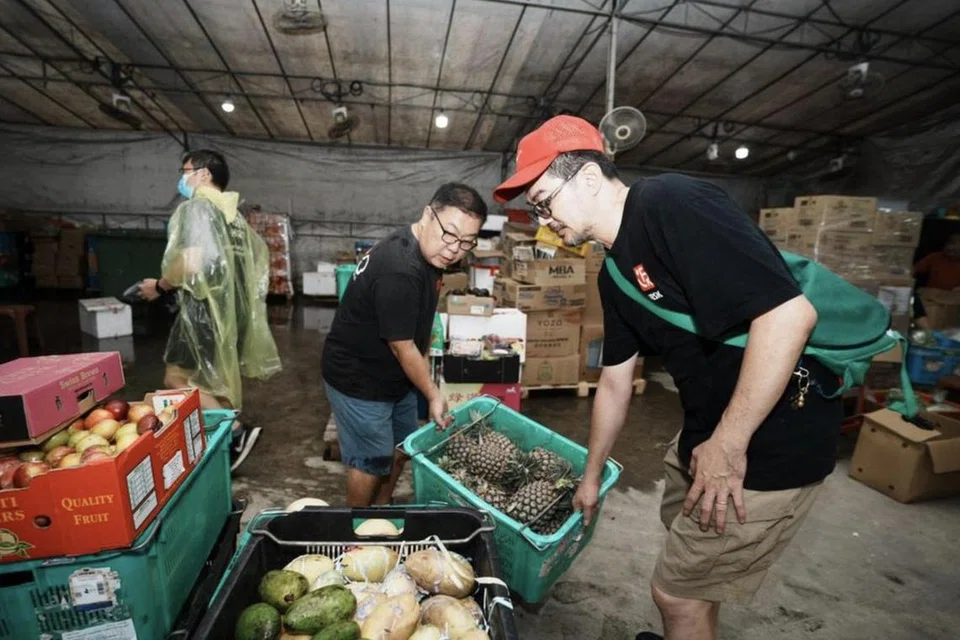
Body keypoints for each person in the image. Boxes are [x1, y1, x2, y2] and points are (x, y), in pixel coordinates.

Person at [493, 116, 842, 640]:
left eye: (544, 201)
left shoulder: (670, 203)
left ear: (588, 179)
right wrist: (590, 478)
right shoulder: (613, 274)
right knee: (692, 580)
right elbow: (614, 381)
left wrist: (727, 445)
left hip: (767, 440)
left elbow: (789, 317)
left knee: (674, 592)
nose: (544, 222)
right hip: (707, 430)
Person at [322, 183, 487, 507]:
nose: (455, 249)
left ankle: (382, 511)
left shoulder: (430, 254)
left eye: (467, 242)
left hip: (396, 378)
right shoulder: (399, 267)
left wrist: (425, 383)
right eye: (450, 235)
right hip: (358, 379)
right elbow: (403, 346)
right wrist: (433, 394)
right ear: (428, 214)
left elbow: (418, 331)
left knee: (402, 448)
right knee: (370, 460)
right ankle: (354, 529)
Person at [140, 150, 281, 472]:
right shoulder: (235, 217)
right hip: (233, 312)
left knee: (178, 376)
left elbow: (192, 260)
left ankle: (235, 432)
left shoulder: (198, 208)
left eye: (185, 170)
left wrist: (159, 286)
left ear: (203, 174)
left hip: (204, 310)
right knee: (217, 381)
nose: (183, 177)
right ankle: (224, 445)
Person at [912, 233, 960, 329]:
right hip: (932, 299)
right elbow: (913, 270)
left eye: (955, 250)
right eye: (949, 247)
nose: (950, 251)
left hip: (954, 300)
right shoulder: (935, 257)